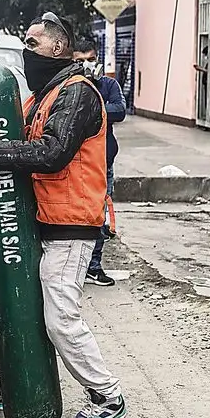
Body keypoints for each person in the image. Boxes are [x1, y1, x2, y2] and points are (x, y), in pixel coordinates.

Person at [0, 13, 127, 418]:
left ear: (57, 48)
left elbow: (52, 153)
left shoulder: (77, 94)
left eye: (32, 44)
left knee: (60, 317)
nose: (25, 52)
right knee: (5, 304)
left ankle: (108, 396)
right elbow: (18, 138)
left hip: (70, 226)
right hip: (37, 222)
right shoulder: (41, 97)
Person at [72, 38, 127, 287]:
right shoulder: (68, 86)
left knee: (99, 216)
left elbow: (119, 110)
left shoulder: (108, 85)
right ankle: (73, 266)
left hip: (102, 164)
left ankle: (93, 267)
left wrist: (89, 108)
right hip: (72, 163)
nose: (86, 65)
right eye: (80, 60)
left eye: (90, 59)